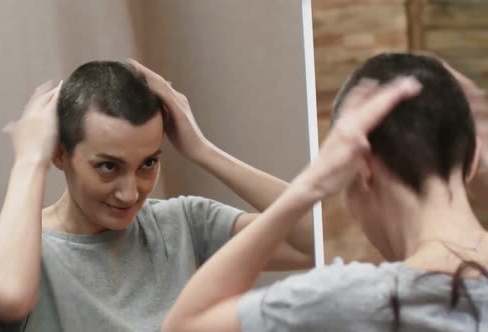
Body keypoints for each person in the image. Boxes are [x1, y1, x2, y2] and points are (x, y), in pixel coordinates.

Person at [0, 60, 314, 331]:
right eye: (108, 167)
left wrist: (204, 150)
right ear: (60, 155)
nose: (130, 192)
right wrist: (30, 160)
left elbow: (315, 238)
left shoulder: (185, 225)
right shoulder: (9, 242)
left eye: (148, 163)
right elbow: (8, 297)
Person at [162, 53, 488, 332]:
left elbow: (186, 325)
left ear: (362, 169)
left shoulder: (352, 300)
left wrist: (311, 184)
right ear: (474, 161)